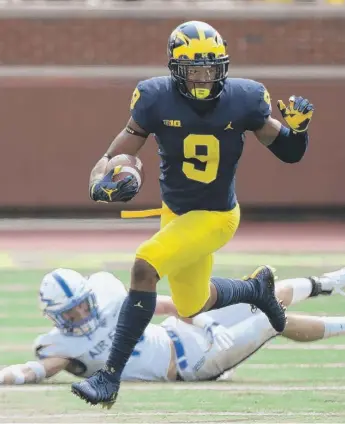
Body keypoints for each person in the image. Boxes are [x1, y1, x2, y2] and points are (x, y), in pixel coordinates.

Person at [72, 20, 314, 407]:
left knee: (144, 265)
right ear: (175, 70)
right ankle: (256, 289)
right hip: (176, 213)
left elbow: (290, 154)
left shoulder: (246, 99)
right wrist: (99, 184)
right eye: (193, 70)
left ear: (224, 66)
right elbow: (111, 157)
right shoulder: (154, 98)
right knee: (191, 304)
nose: (203, 78)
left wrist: (298, 132)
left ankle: (109, 377)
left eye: (211, 68)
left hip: (216, 216)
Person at [1, 267, 344, 386]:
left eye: (80, 308)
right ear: (55, 317)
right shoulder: (62, 347)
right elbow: (37, 370)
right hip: (191, 364)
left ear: (90, 296)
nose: (78, 318)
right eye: (69, 314)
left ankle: (329, 283)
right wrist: (8, 375)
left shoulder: (109, 294)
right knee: (271, 320)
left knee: (266, 295)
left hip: (178, 333)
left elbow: (167, 305)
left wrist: (205, 319)